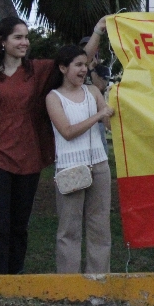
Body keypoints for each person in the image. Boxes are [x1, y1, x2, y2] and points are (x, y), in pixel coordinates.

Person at [0, 17, 58, 274]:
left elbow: (73, 61)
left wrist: (97, 32)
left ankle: (15, 279)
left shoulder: (36, 71)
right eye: (18, 37)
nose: (24, 42)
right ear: (2, 41)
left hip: (29, 159)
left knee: (19, 225)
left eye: (26, 37)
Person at [46, 45, 115, 273]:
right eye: (78, 65)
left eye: (85, 65)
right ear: (63, 68)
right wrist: (98, 115)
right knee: (69, 229)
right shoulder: (53, 97)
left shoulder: (93, 92)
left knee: (100, 226)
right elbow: (67, 131)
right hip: (70, 167)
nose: (83, 70)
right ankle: (69, 285)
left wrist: (115, 102)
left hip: (99, 164)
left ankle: (97, 278)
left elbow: (109, 122)